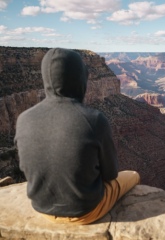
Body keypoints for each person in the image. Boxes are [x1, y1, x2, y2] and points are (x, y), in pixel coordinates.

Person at [15, 48, 140, 224]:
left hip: (41, 209)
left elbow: (27, 167)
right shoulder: (94, 120)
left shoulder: (23, 119)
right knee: (133, 175)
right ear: (79, 79)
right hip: (86, 212)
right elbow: (111, 174)